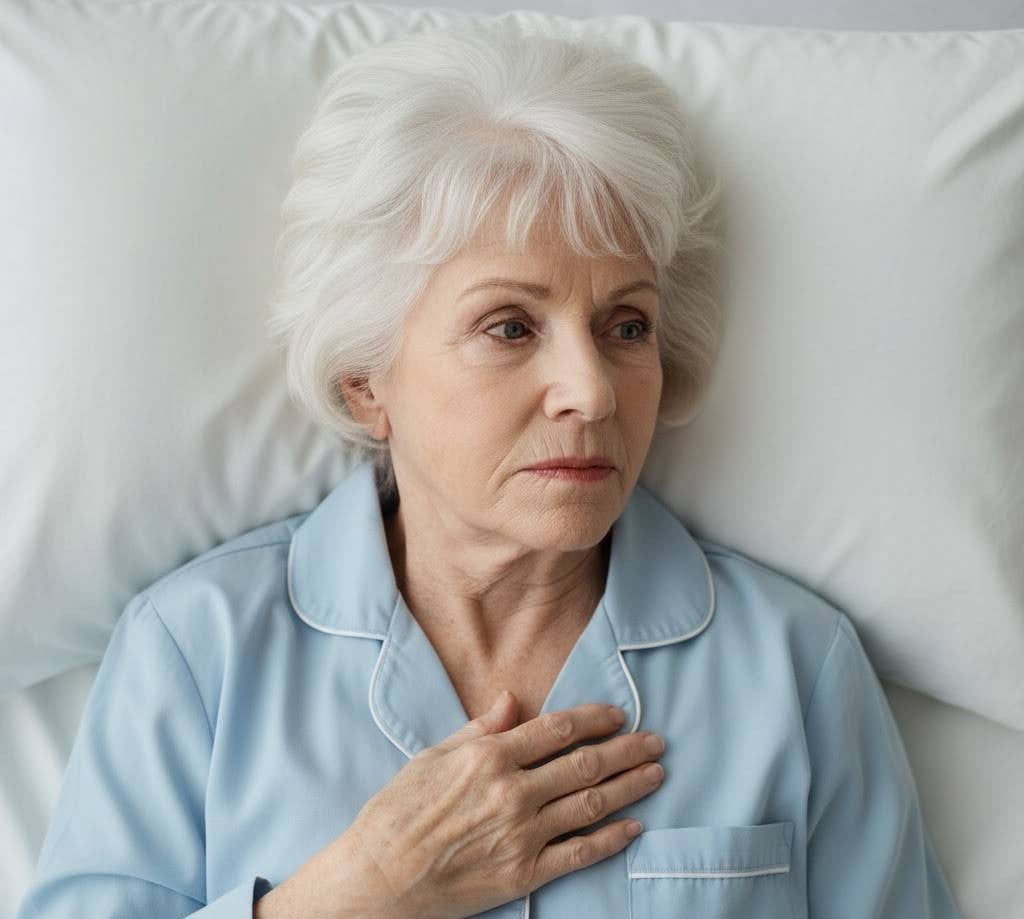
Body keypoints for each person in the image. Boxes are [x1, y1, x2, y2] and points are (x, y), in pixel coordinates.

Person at [17, 19, 964, 919]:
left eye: (625, 326)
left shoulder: (794, 667)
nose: (591, 391)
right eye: (509, 326)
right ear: (365, 384)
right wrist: (359, 891)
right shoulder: (196, 654)